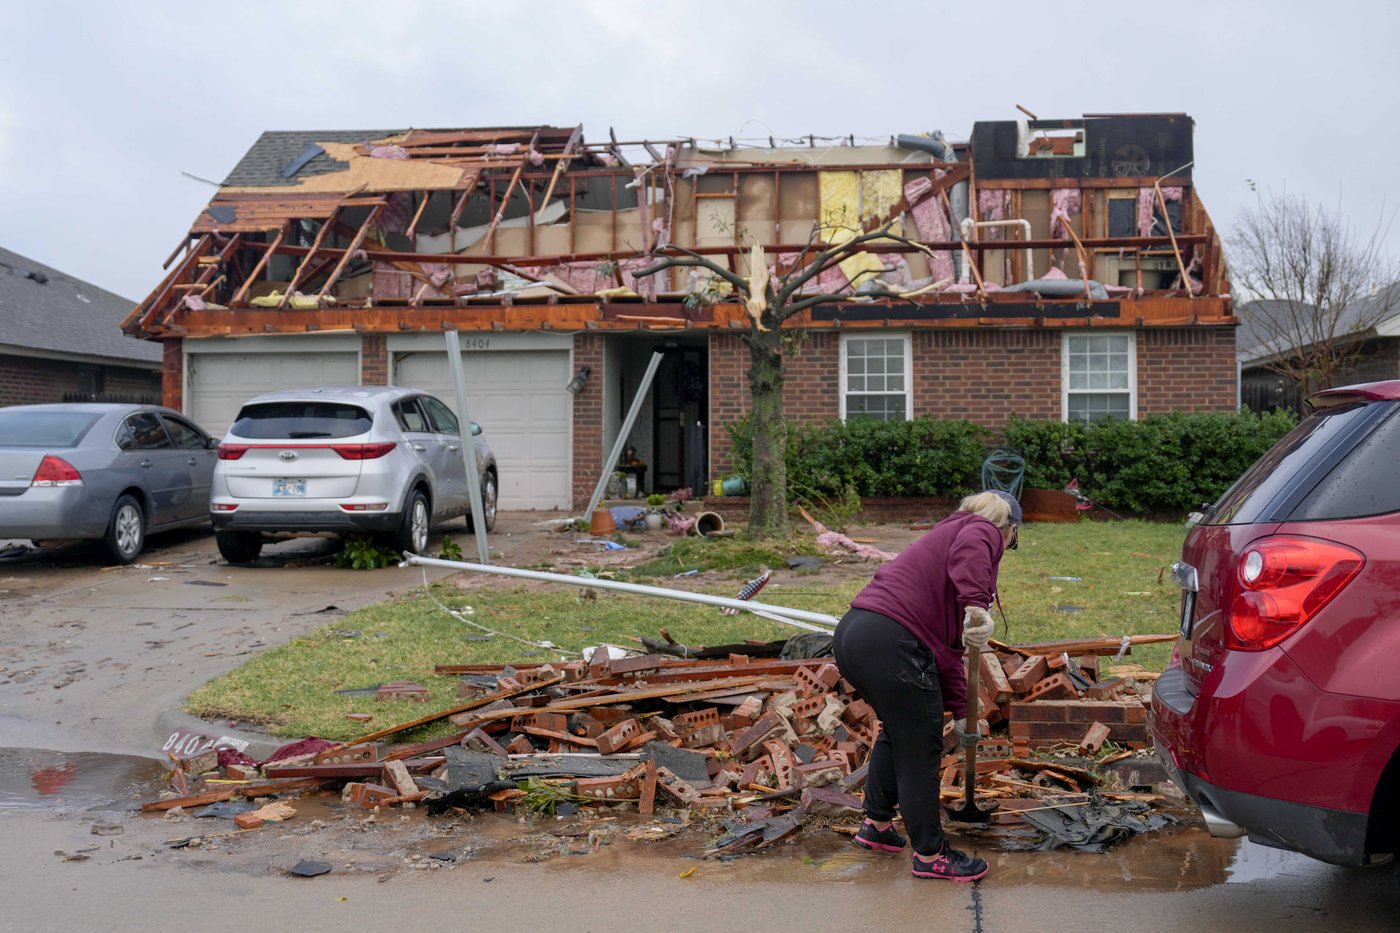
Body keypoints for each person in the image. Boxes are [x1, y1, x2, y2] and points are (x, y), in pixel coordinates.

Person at [832, 489, 1020, 882]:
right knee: (920, 743)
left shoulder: (946, 539)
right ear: (1009, 529)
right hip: (891, 640)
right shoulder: (980, 528)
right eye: (1012, 543)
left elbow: (949, 653)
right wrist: (976, 602)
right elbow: (975, 548)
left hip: (858, 633)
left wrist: (965, 715)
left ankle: (878, 826)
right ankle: (931, 855)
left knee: (901, 730)